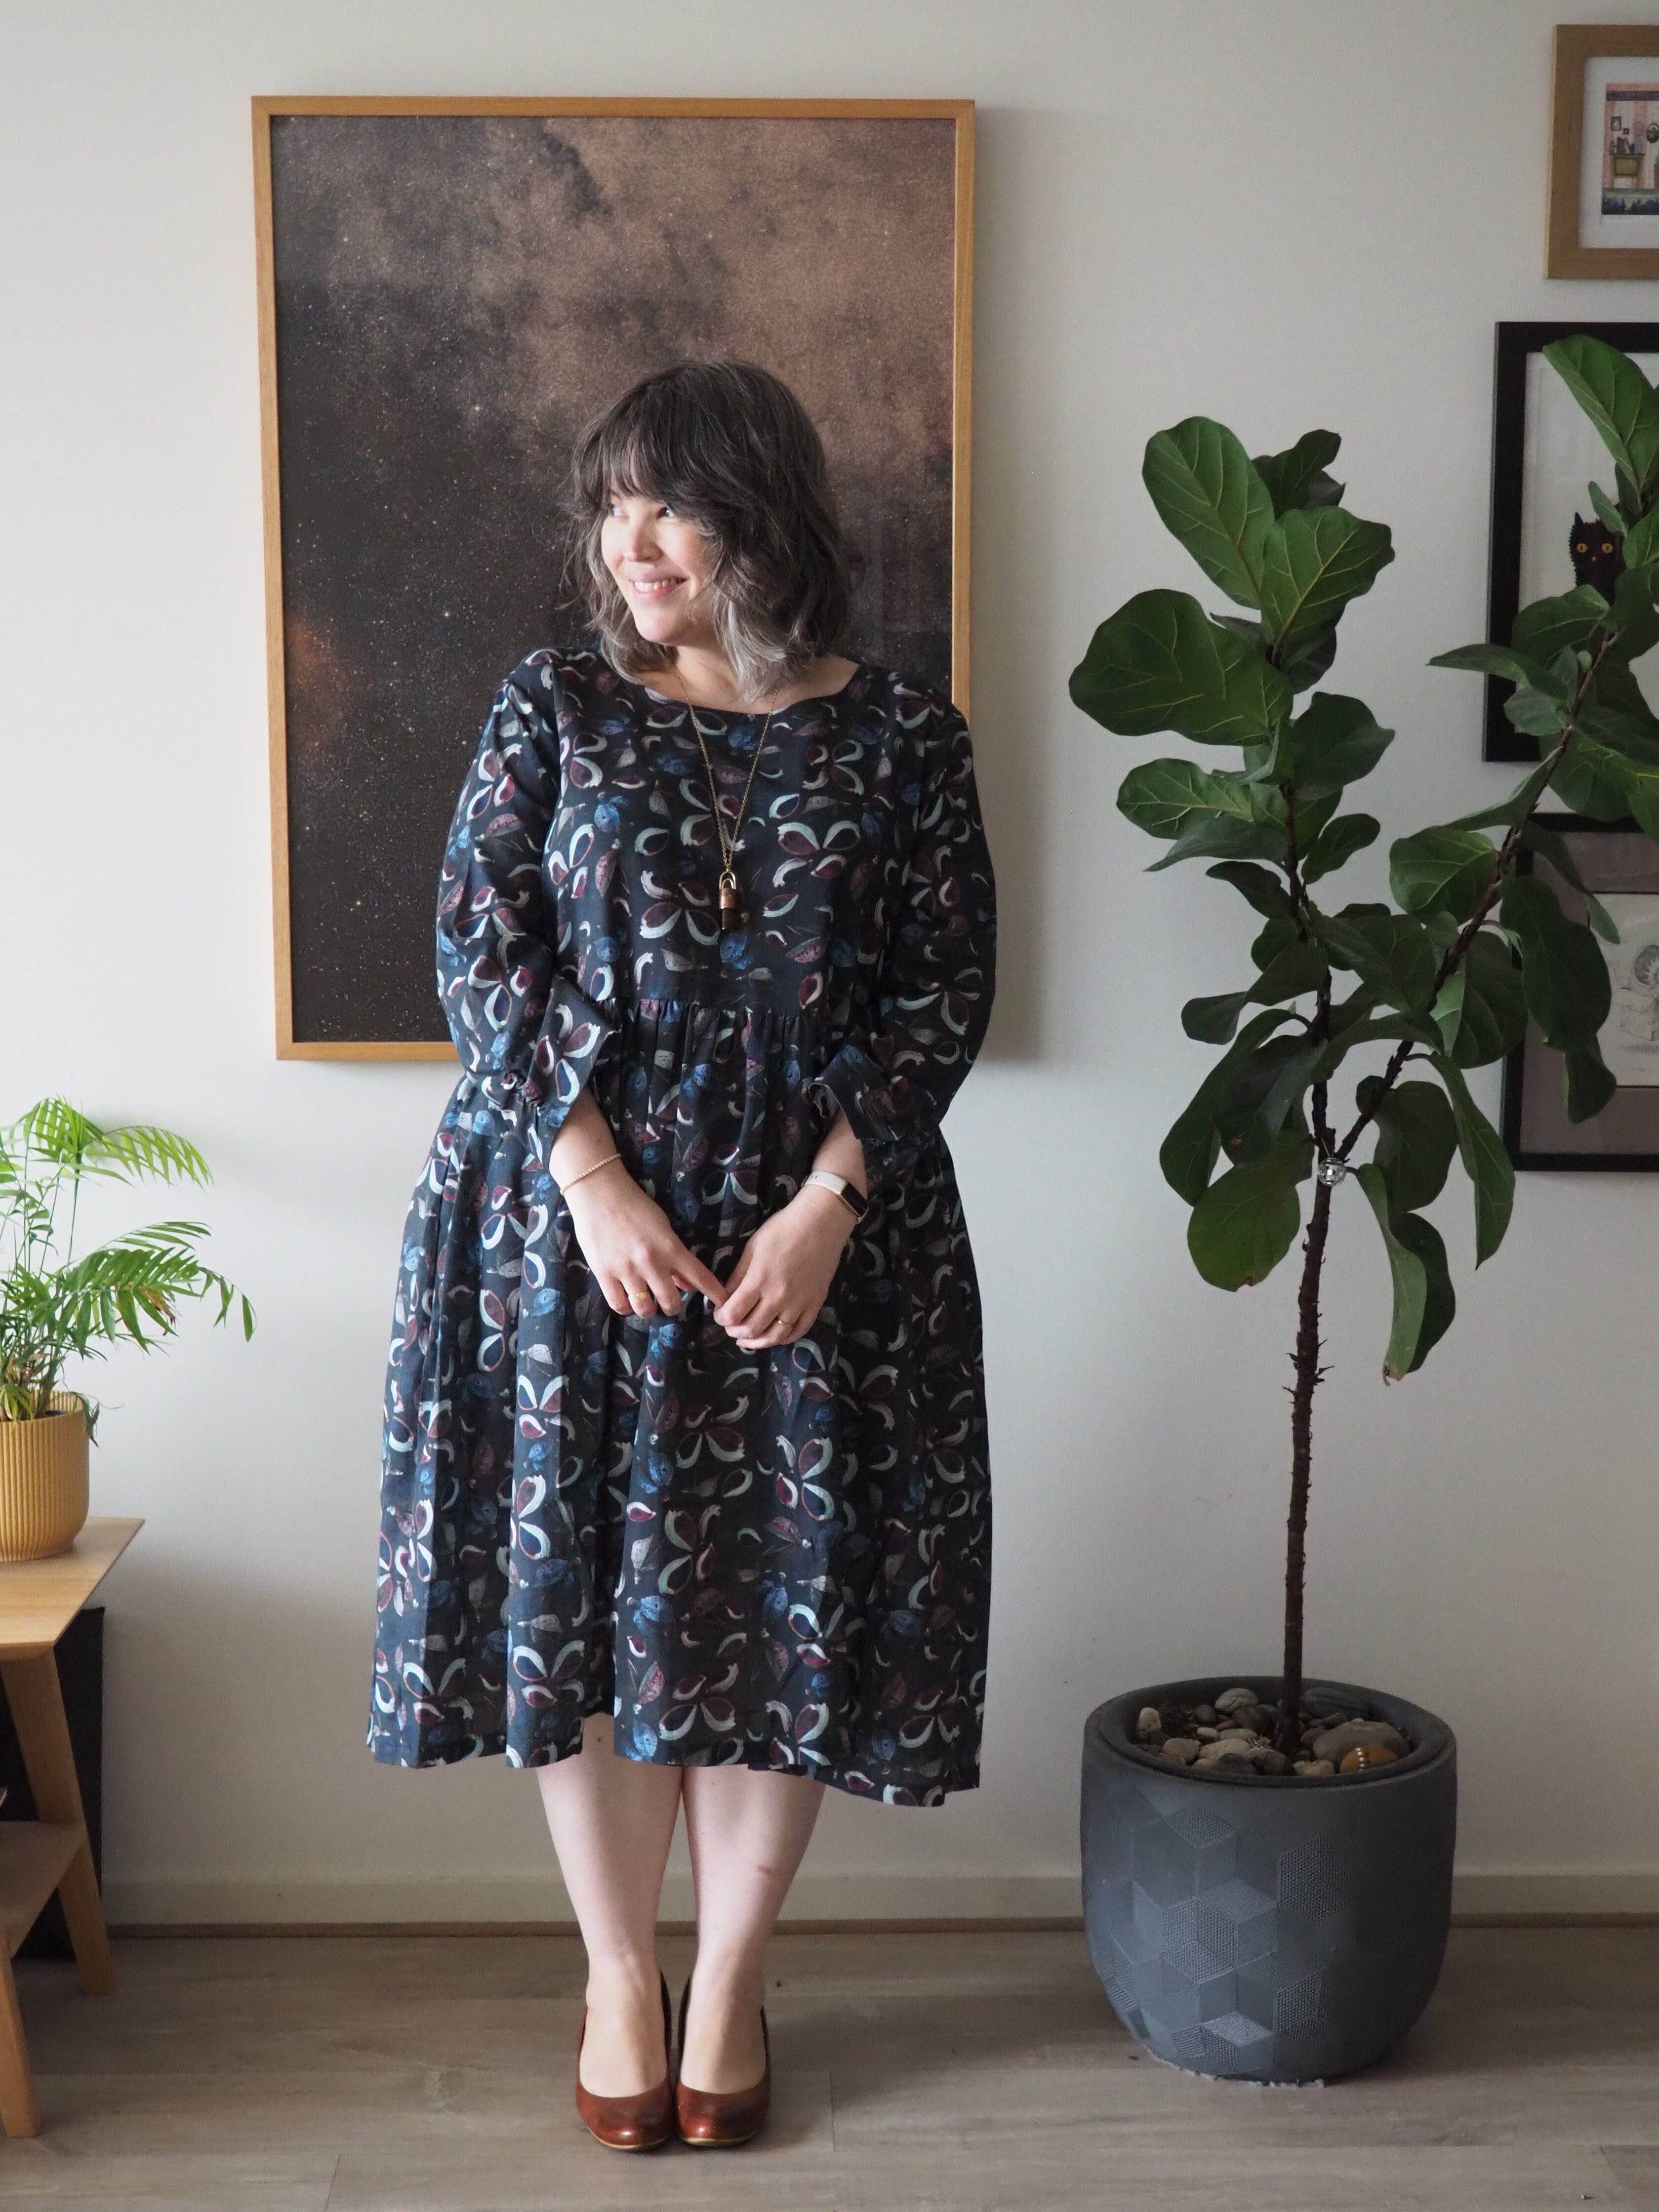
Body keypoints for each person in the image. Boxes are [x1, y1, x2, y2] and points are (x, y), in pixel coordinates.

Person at [369, 357, 997, 2151]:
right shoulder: (553, 705)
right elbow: (480, 953)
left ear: (762, 507)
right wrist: (588, 1176)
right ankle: (614, 1974)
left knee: (781, 1613)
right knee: (586, 1610)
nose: (632, 538)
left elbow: (947, 984)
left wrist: (830, 1204)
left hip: (824, 1253)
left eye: (671, 498)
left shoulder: (905, 734)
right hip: (573, 1240)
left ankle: (729, 1977)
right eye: (612, 504)